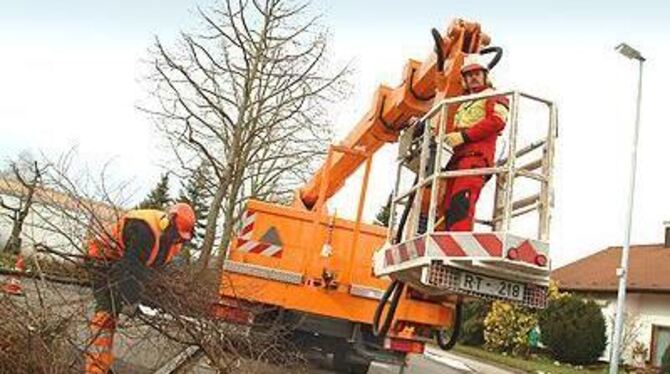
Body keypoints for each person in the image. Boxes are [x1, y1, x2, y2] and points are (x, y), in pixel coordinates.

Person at [85, 202, 195, 374]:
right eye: (177, 235)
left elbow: (152, 271)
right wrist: (131, 301)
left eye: (181, 238)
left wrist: (156, 298)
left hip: (122, 263)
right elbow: (130, 268)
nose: (178, 240)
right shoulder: (144, 229)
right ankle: (95, 370)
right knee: (107, 312)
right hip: (102, 259)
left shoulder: (173, 242)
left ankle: (102, 366)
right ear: (169, 222)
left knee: (118, 303)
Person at [440, 55, 509, 231]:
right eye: (469, 75)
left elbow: (497, 121)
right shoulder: (462, 103)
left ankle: (455, 248)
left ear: (486, 75)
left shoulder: (494, 96)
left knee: (460, 203)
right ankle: (447, 247)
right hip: (455, 162)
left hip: (475, 159)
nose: (473, 77)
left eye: (477, 73)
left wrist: (464, 136)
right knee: (447, 207)